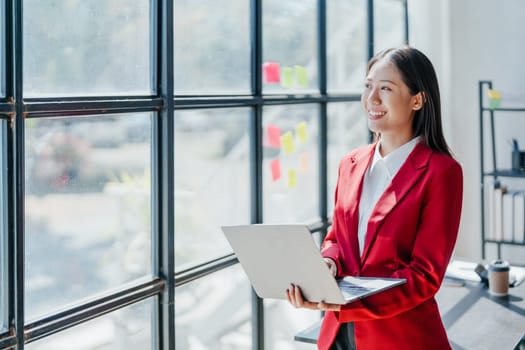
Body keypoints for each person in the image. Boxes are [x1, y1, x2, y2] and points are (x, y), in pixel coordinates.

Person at [285, 46, 463, 349]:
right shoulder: (349, 164)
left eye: (386, 88)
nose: (372, 99)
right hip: (338, 335)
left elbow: (424, 276)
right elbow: (337, 240)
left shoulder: (441, 172)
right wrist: (328, 264)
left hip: (400, 337)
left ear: (417, 100)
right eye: (368, 86)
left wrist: (345, 303)